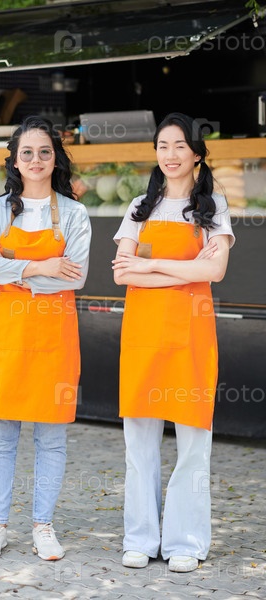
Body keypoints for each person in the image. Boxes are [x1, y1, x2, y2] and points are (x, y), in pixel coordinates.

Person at [112, 112, 235, 573]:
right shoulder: (139, 207)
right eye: (163, 146)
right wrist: (181, 269)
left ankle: (186, 540)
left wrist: (148, 266)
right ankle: (141, 538)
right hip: (142, 335)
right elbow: (121, 272)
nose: (170, 154)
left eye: (180, 145)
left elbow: (214, 270)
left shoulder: (213, 207)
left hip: (190, 335)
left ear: (197, 154)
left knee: (192, 443)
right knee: (139, 443)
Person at [0, 115, 91, 561]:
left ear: (54, 159)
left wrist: (9, 270)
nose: (36, 160)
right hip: (7, 338)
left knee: (51, 437)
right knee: (0, 435)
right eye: (27, 153)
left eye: (44, 152)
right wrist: (40, 266)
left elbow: (76, 276)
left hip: (55, 339)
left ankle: (43, 526)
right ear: (15, 161)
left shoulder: (74, 213)